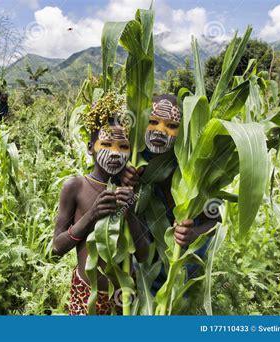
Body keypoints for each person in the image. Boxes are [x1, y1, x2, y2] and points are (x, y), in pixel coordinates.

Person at [53, 97, 149, 315]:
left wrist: (128, 212)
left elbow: (143, 255)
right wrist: (92, 215)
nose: (115, 153)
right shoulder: (75, 187)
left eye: (123, 146)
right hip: (87, 296)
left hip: (124, 297)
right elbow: (56, 248)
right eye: (106, 144)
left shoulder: (132, 190)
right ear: (90, 148)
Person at [121, 94, 219, 294]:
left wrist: (194, 235)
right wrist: (122, 175)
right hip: (143, 258)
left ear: (182, 132)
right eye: (153, 122)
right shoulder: (133, 156)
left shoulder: (192, 166)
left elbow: (215, 221)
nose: (160, 131)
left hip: (182, 262)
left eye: (171, 126)